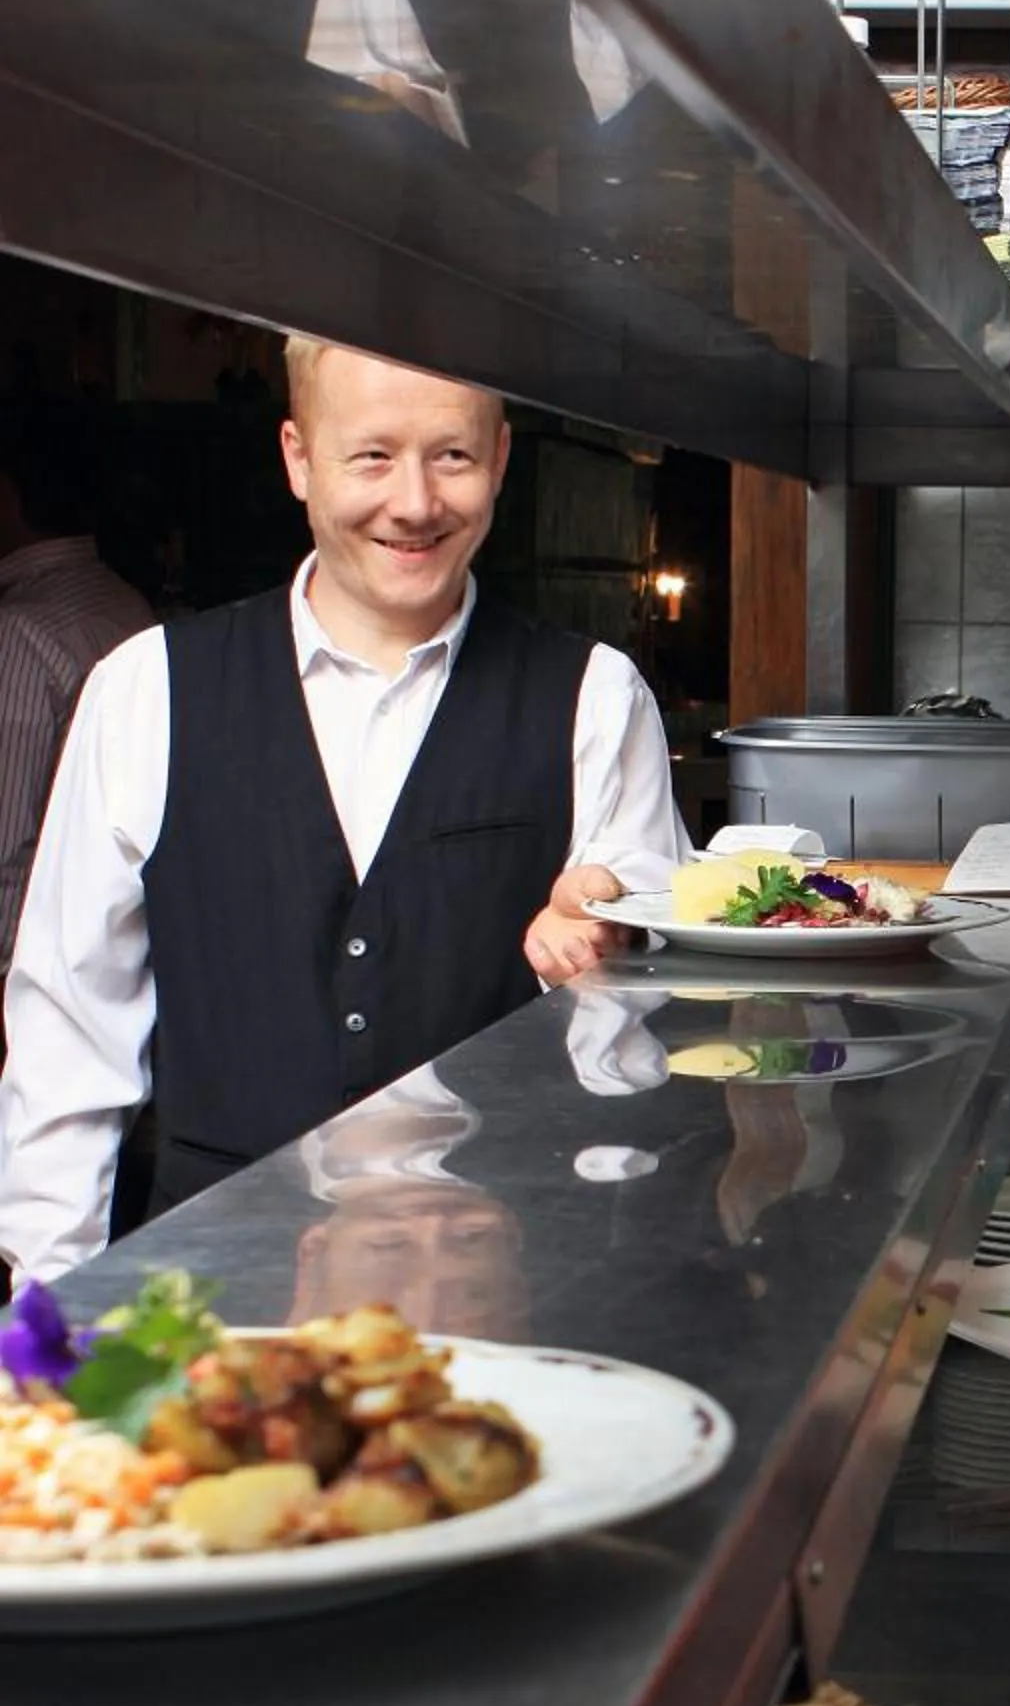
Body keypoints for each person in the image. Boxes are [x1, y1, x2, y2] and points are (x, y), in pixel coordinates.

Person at [0, 336, 675, 1282]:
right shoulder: (145, 690)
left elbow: (642, 1042)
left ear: (500, 459)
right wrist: (44, 1309)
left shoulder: (596, 698)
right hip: (210, 1294)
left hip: (489, 1291)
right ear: (298, 458)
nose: (415, 502)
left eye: (452, 455)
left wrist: (614, 956)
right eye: (372, 456)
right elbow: (69, 1041)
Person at [0, 400, 153, 1000]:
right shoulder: (122, 599)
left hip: (33, 966)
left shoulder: (19, 628)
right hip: (115, 937)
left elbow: (6, 838)